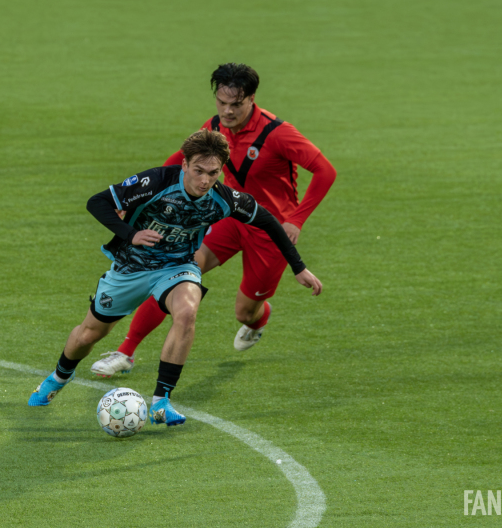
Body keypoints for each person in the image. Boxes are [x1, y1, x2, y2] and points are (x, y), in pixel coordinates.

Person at [29, 129, 322, 427]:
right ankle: (58, 378)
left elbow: (268, 221)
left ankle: (161, 402)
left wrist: (298, 267)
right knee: (89, 334)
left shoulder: (223, 198)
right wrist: (132, 234)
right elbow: (97, 202)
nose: (205, 180)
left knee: (186, 312)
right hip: (131, 268)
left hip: (177, 268)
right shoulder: (155, 182)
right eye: (198, 171)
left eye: (213, 173)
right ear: (184, 165)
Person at [90, 63, 337, 378]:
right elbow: (176, 165)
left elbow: (325, 171)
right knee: (173, 271)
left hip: (268, 230)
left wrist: (296, 219)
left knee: (245, 311)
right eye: (222, 102)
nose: (227, 111)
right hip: (227, 219)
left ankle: (258, 319)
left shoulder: (278, 134)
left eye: (236, 104)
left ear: (252, 99)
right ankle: (126, 352)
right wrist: (137, 199)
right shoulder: (214, 128)